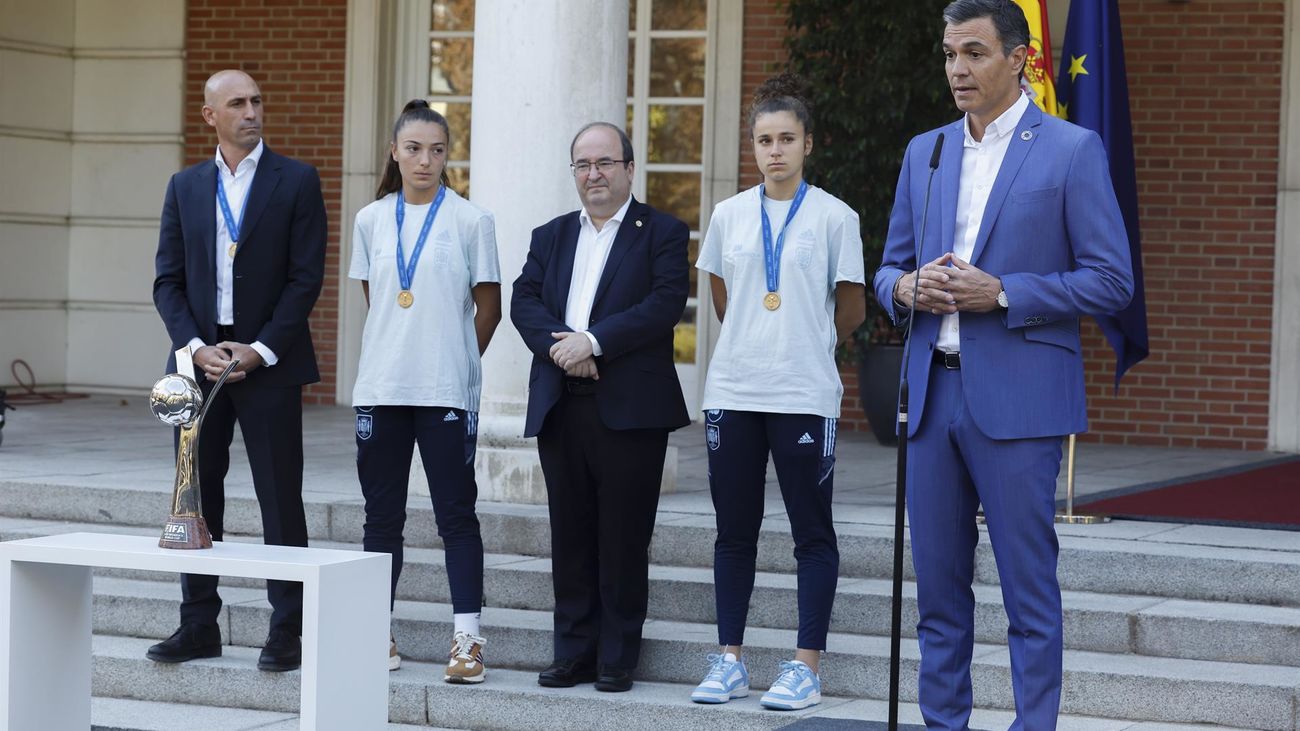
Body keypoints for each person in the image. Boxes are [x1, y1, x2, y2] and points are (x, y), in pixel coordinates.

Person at [873, 2, 1135, 728]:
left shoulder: (1071, 150)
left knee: (1029, 595)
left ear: (1018, 59)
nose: (957, 69)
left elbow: (1111, 280)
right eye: (949, 54)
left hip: (1021, 402)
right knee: (938, 597)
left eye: (974, 53)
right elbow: (888, 267)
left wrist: (1005, 292)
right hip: (932, 401)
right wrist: (903, 287)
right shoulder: (925, 152)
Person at [689, 73, 866, 711]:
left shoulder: (836, 216)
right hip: (734, 390)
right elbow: (722, 298)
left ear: (808, 144)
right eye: (764, 140)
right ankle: (730, 660)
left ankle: (805, 666)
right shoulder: (729, 215)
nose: (775, 151)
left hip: (802, 393)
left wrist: (802, 342)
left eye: (787, 138)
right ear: (753, 146)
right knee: (733, 532)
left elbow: (851, 308)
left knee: (810, 532)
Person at [150, 69, 327, 672]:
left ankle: (287, 629)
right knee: (195, 497)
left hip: (269, 365)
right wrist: (196, 347)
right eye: (237, 103)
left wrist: (261, 348)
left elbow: (306, 278)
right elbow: (167, 281)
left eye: (256, 101)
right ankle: (198, 623)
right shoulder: (184, 187)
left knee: (280, 496)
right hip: (199, 368)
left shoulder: (297, 180)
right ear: (211, 116)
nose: (251, 112)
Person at [510, 121, 691, 693]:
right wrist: (565, 349)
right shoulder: (551, 234)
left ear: (629, 169)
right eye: (583, 165)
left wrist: (594, 342)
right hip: (562, 406)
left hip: (631, 411)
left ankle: (617, 656)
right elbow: (523, 300)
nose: (594, 174)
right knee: (570, 534)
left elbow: (664, 304)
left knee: (623, 536)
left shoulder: (662, 232)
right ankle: (573, 652)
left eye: (605, 163)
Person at [348, 99, 501, 682]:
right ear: (394, 151)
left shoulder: (471, 220)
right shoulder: (370, 219)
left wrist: (456, 361)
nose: (424, 160)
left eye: (436, 150)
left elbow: (489, 307)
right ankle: (375, 631)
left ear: (447, 155)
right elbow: (380, 303)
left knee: (455, 516)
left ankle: (467, 640)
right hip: (382, 387)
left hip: (444, 392)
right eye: (413, 149)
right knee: (381, 518)